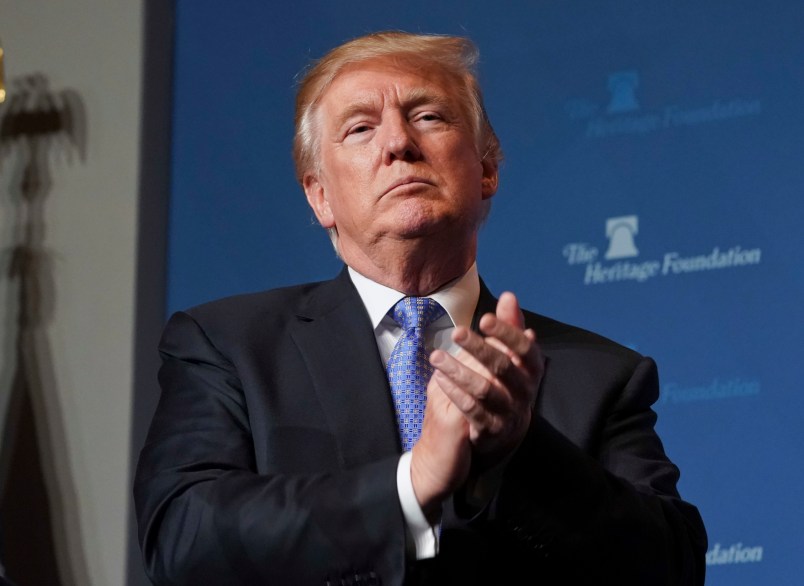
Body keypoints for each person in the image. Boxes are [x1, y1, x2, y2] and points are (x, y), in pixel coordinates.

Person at [134, 31, 707, 585]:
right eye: (360, 128)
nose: (397, 143)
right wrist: (413, 482)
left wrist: (519, 449)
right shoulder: (228, 346)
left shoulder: (600, 376)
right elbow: (182, 537)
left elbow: (672, 569)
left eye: (428, 116)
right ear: (320, 196)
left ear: (486, 170)